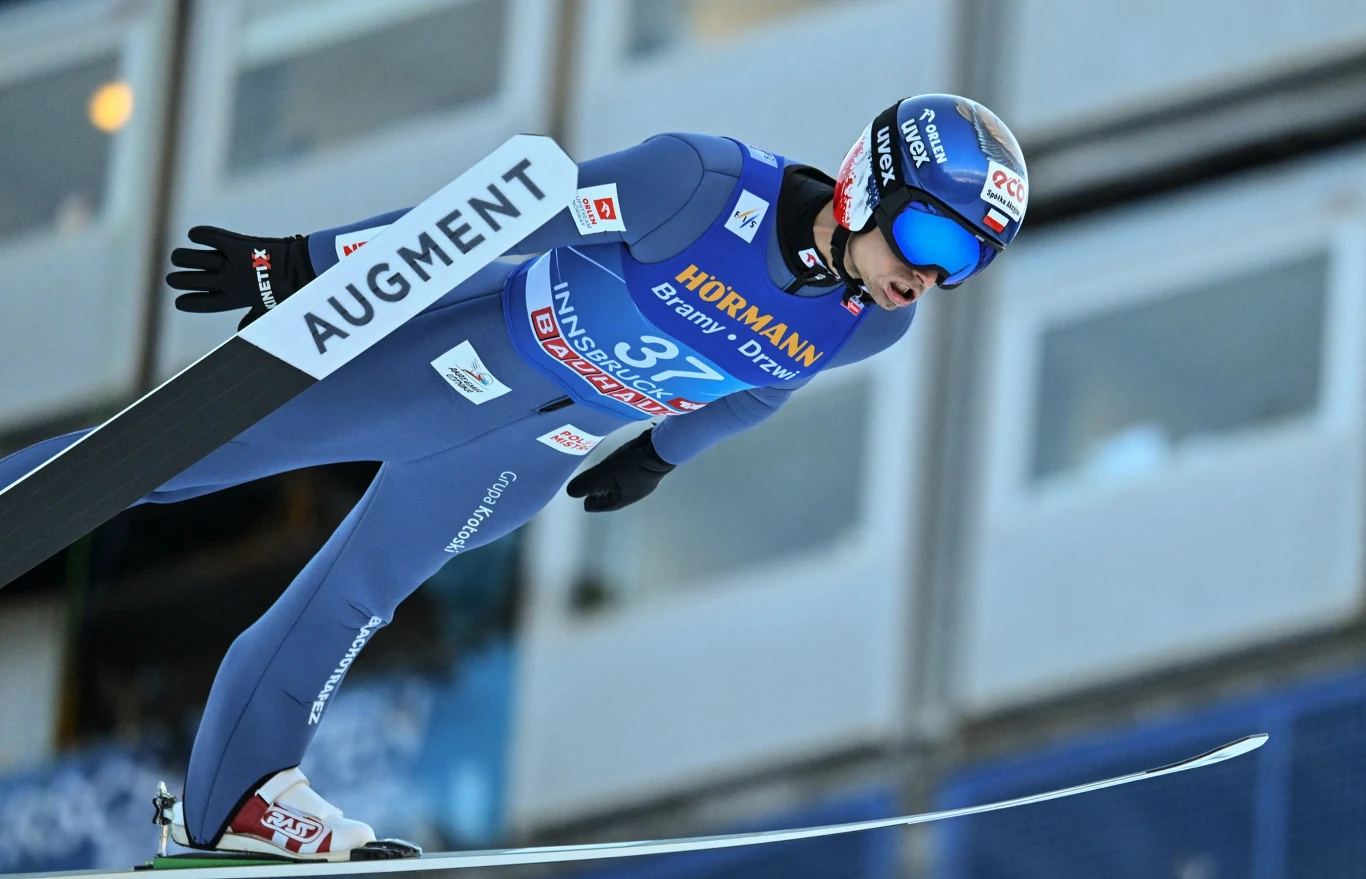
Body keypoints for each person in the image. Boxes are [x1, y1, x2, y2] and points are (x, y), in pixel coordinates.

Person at [0, 94, 1027, 861]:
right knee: (182, 457)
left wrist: (657, 458)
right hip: (449, 360)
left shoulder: (868, 326)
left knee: (356, 597)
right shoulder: (700, 186)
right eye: (932, 235)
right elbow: (500, 219)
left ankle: (235, 798)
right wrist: (302, 263)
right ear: (866, 182)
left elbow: (760, 390)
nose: (928, 277)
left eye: (965, 264)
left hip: (533, 452)